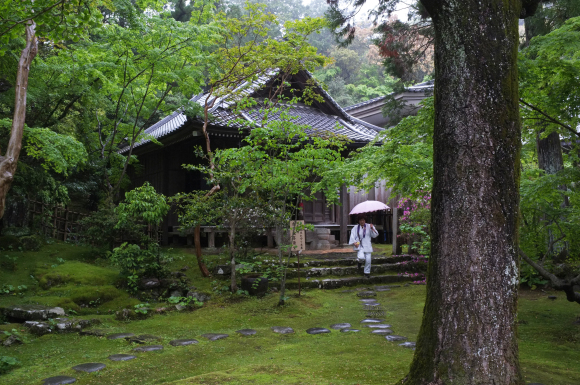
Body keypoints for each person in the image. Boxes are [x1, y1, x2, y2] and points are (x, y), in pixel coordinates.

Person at [348, 214, 379, 278]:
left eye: (363, 220)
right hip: (359, 245)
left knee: (368, 260)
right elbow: (352, 235)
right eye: (360, 220)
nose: (362, 221)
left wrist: (372, 228)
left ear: (365, 220)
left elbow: (375, 235)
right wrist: (354, 242)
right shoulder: (355, 227)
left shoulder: (369, 226)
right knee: (361, 257)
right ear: (358, 221)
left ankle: (367, 273)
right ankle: (360, 262)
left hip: (367, 244)